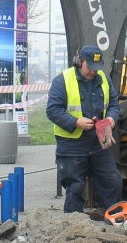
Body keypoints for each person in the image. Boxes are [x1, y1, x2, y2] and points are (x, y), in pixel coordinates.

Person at [46, 45, 122, 213]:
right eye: (90, 68)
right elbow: (52, 111)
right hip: (72, 145)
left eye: (97, 68)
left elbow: (114, 105)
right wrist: (76, 122)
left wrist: (111, 118)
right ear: (79, 62)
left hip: (98, 143)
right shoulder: (63, 80)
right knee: (75, 187)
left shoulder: (103, 78)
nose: (94, 72)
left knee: (112, 181)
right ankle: (74, 229)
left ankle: (116, 222)